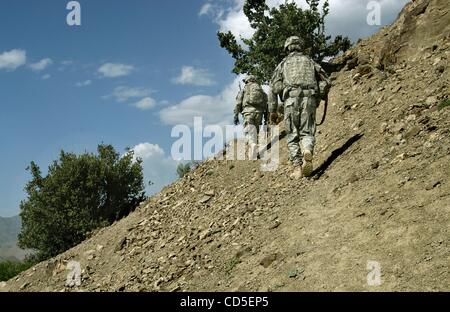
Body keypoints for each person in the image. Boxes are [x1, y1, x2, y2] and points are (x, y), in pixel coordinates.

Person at [268, 36, 330, 178]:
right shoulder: (311, 62)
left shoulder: (282, 65)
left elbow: (273, 87)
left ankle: (297, 168)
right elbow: (326, 81)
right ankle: (307, 149)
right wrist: (318, 97)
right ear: (301, 46)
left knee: (292, 135)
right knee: (307, 132)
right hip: (309, 99)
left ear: (287, 47)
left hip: (290, 100)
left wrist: (272, 111)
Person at [234, 75, 268, 160]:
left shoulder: (244, 89)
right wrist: (266, 117)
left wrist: (236, 115)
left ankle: (252, 145)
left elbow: (238, 103)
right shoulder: (261, 91)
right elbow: (266, 103)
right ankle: (255, 151)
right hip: (259, 113)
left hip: (248, 112)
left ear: (247, 81)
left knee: (249, 132)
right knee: (255, 131)